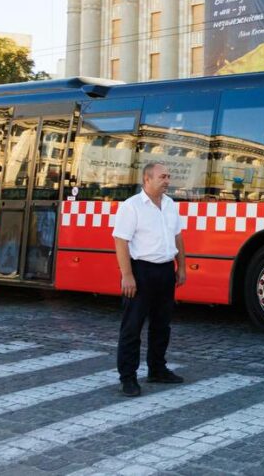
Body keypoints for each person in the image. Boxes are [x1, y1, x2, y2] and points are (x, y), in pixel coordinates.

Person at [112, 162, 187, 397]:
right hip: (141, 271)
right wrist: (127, 275)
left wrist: (181, 266)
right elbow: (121, 240)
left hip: (165, 271)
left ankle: (157, 369)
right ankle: (128, 377)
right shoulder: (131, 206)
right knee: (132, 327)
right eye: (162, 177)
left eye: (168, 176)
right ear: (147, 179)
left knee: (162, 325)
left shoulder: (169, 205)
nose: (167, 180)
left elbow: (178, 236)